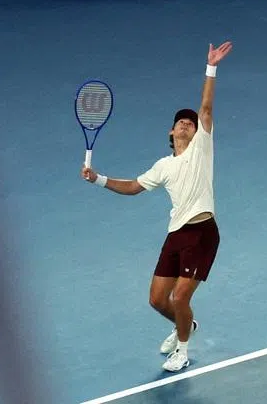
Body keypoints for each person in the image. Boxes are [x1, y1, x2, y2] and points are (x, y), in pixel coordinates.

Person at [81, 41, 233, 373]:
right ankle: (186, 325)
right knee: (157, 300)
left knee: (180, 298)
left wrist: (211, 67)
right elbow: (134, 187)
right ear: (171, 130)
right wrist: (98, 179)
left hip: (202, 232)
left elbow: (205, 108)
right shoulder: (163, 166)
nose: (186, 124)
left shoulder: (201, 149)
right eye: (181, 121)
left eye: (190, 123)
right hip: (176, 234)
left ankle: (182, 349)